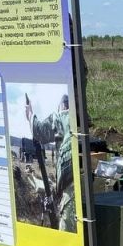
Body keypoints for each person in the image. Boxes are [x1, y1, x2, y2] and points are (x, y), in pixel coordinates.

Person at [26, 92, 77, 232]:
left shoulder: (62, 116)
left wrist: (30, 114)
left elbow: (39, 131)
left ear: (62, 106)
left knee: (66, 233)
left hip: (71, 185)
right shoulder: (81, 119)